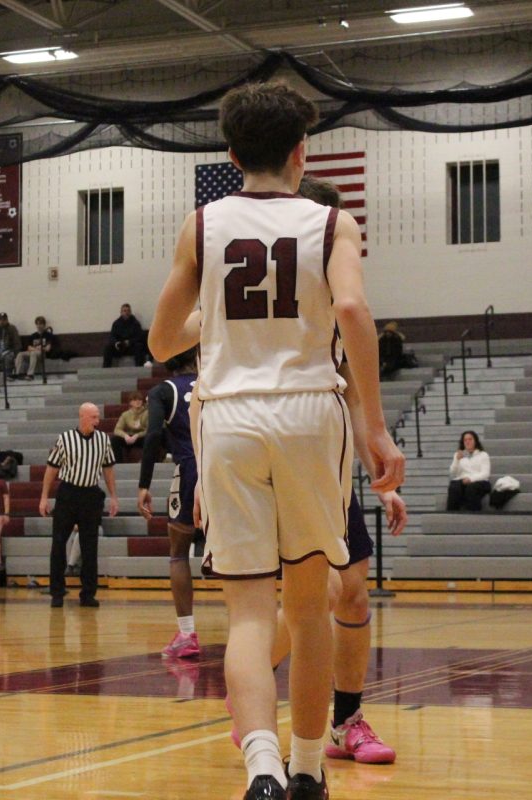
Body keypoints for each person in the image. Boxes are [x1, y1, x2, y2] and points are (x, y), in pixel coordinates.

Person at [148, 81, 405, 800]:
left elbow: (163, 339)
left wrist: (215, 324)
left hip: (227, 416)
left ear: (232, 155)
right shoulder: (332, 222)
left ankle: (258, 764)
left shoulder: (202, 224)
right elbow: (351, 307)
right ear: (302, 152)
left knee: (251, 614)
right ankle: (306, 766)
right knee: (309, 603)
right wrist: (377, 426)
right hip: (309, 414)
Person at [137, 348, 201, 658]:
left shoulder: (163, 391)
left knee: (178, 554)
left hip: (189, 468)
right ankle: (255, 632)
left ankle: (187, 634)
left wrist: (144, 484)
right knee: (236, 556)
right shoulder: (214, 382)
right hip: (226, 466)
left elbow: (151, 437)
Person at [40, 402, 118, 608]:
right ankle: (57, 592)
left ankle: (88, 594)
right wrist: (44, 497)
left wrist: (114, 496)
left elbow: (108, 469)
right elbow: (51, 469)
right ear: (82, 417)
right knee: (58, 544)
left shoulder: (103, 440)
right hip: (68, 494)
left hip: (91, 495)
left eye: (98, 417)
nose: (97, 421)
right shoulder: (65, 439)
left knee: (90, 547)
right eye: (93, 417)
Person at [446, 431, 491, 512]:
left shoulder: (483, 455)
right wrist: (457, 460)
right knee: (453, 486)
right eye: (465, 440)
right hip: (463, 481)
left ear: (475, 441)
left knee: (471, 488)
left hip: (480, 481)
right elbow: (452, 473)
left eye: (470, 439)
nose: (467, 441)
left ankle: (474, 514)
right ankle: (451, 514)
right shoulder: (458, 454)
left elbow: (485, 473)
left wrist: (471, 479)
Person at [112, 391, 149, 462]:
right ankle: (119, 463)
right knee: (115, 440)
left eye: (140, 399)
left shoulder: (147, 413)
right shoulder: (125, 414)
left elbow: (149, 429)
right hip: (129, 437)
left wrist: (137, 435)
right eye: (135, 400)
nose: (138, 401)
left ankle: (146, 461)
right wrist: (125, 436)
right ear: (130, 402)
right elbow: (117, 430)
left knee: (150, 438)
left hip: (141, 437)